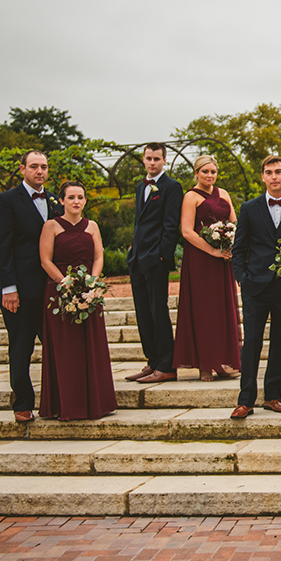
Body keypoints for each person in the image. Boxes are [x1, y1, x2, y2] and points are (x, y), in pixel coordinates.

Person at [229, 155, 281, 419]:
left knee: (279, 342)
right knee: (251, 341)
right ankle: (245, 400)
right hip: (255, 287)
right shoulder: (249, 208)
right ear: (262, 177)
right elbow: (239, 247)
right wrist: (243, 277)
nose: (274, 176)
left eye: (278, 171)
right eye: (268, 172)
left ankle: (273, 395)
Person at [0, 150, 61, 423]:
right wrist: (8, 287)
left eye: (43, 167)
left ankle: (55, 401)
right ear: (22, 169)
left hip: (49, 289)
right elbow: (1, 246)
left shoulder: (55, 200)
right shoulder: (7, 201)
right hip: (18, 290)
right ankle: (22, 403)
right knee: (21, 347)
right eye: (34, 167)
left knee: (56, 346)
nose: (39, 171)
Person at [37, 181, 117, 421]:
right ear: (61, 201)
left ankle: (95, 403)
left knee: (90, 346)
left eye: (80, 197)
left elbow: (99, 255)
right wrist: (65, 283)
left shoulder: (92, 226)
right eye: (71, 197)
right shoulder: (51, 226)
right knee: (66, 349)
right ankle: (67, 404)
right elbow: (45, 260)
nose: (76, 201)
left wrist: (91, 283)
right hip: (60, 291)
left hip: (88, 293)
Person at [172, 155, 241, 381]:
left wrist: (228, 239)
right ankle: (204, 364)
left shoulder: (224, 194)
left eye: (213, 172)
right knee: (204, 310)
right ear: (196, 172)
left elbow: (233, 221)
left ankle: (222, 361)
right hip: (200, 259)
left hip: (223, 257)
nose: (209, 176)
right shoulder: (190, 197)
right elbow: (187, 231)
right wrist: (211, 250)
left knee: (222, 309)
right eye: (205, 172)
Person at [125, 143, 184, 384]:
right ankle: (152, 361)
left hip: (156, 258)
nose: (152, 162)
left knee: (158, 310)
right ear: (143, 159)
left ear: (164, 160)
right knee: (143, 311)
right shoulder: (141, 187)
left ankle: (167, 365)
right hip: (137, 258)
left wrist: (163, 255)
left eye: (156, 158)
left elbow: (171, 225)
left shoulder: (172, 187)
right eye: (148, 158)